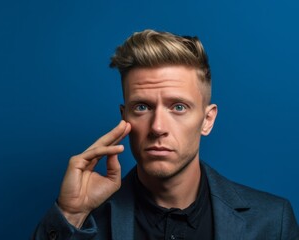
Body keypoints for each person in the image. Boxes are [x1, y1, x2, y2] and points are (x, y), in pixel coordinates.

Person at [32, 29, 299, 240]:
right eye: (142, 107)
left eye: (179, 107)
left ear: (207, 120)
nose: (158, 127)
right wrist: (70, 214)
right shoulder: (84, 222)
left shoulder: (273, 220)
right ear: (125, 117)